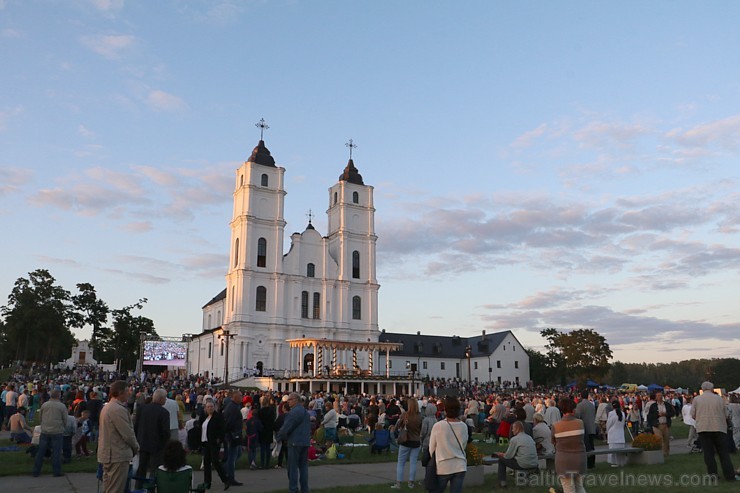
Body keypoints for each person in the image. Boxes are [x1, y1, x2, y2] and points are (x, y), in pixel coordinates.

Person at [97, 380, 140, 493]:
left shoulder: (107, 407)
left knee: (109, 487)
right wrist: (136, 447)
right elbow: (127, 434)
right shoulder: (118, 410)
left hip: (108, 453)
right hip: (117, 454)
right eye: (127, 391)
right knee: (116, 488)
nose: (129, 394)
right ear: (120, 392)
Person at [691, 382, 738, 482]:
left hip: (704, 428)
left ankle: (713, 476)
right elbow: (726, 415)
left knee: (708, 454)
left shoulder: (697, 399)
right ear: (712, 388)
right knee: (723, 453)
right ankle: (729, 475)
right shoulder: (719, 399)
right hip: (719, 427)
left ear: (702, 389)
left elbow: (693, 414)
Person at [429, 395, 468, 493]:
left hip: (443, 464)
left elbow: (432, 448)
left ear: (445, 410)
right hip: (459, 464)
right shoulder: (463, 426)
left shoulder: (438, 426)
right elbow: (463, 444)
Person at [134, 388, 171, 488]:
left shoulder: (141, 409)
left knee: (141, 468)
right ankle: (150, 489)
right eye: (165, 398)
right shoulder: (164, 412)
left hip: (142, 443)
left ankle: (138, 488)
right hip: (157, 446)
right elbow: (165, 432)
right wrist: (165, 444)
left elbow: (136, 425)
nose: (165, 400)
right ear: (161, 399)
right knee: (155, 470)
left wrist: (137, 439)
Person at [276, 392, 311, 493]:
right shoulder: (305, 411)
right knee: (303, 467)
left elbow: (287, 427)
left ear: (295, 400)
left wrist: (279, 437)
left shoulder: (294, 412)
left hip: (295, 442)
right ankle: (305, 489)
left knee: (292, 467)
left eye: (290, 400)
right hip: (305, 442)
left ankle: (293, 489)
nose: (288, 402)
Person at [552, 398, 587, 493]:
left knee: (568, 488)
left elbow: (553, 441)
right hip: (580, 459)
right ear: (573, 409)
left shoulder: (555, 426)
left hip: (563, 461)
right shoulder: (580, 423)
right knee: (580, 486)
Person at [32, 389, 68, 477]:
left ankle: (36, 471)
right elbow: (65, 419)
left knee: (41, 451)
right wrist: (62, 427)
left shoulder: (45, 405)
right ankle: (56, 471)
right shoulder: (61, 406)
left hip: (45, 430)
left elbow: (40, 417)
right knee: (56, 452)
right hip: (57, 430)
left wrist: (43, 425)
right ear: (59, 396)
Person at [493, 420, 538, 487]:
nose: (512, 430)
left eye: (513, 428)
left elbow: (508, 456)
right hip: (534, 463)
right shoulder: (529, 437)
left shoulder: (515, 439)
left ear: (517, 429)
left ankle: (502, 482)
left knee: (501, 460)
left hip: (523, 464)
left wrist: (500, 454)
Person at [199, 399, 230, 489]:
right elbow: (201, 428)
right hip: (205, 442)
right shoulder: (204, 417)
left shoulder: (218, 417)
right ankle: (207, 482)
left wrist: (219, 439)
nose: (210, 408)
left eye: (211, 407)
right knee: (206, 463)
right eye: (208, 407)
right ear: (205, 408)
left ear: (214, 407)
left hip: (213, 443)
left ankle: (225, 479)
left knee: (215, 461)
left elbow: (222, 429)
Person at [392, 397, 422, 489]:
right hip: (416, 441)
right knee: (413, 463)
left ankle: (398, 483)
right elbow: (421, 428)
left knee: (401, 463)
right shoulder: (419, 416)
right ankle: (411, 483)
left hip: (406, 440)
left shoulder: (405, 415)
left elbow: (397, 425)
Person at [222, 390, 243, 485]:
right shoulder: (233, 408)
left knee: (238, 453)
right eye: (240, 396)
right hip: (233, 435)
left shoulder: (233, 406)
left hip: (234, 434)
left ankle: (224, 470)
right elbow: (229, 423)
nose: (242, 397)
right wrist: (232, 432)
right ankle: (229, 477)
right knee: (232, 456)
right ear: (235, 397)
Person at [646, 392, 674, 457]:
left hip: (665, 425)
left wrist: (665, 414)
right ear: (656, 397)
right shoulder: (653, 406)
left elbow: (672, 413)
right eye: (658, 396)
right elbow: (650, 416)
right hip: (657, 425)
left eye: (661, 396)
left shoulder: (667, 405)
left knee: (666, 441)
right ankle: (660, 455)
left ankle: (666, 454)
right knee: (659, 440)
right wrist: (657, 415)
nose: (660, 397)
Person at [574, 390, 596, 469]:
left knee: (586, 447)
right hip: (592, 427)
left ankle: (587, 463)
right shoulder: (591, 405)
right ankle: (592, 463)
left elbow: (577, 416)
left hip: (585, 428)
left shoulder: (580, 405)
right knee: (592, 446)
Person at [258, 395, 276, 469]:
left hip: (262, 430)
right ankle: (267, 463)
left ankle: (262, 464)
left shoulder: (260, 411)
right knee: (268, 447)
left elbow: (259, 421)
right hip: (269, 429)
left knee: (263, 448)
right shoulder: (271, 410)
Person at [606, 400, 626, 467]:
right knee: (620, 451)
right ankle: (621, 462)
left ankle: (614, 463)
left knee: (613, 451)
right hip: (620, 435)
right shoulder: (623, 413)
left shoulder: (611, 413)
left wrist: (607, 431)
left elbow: (608, 424)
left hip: (613, 435)